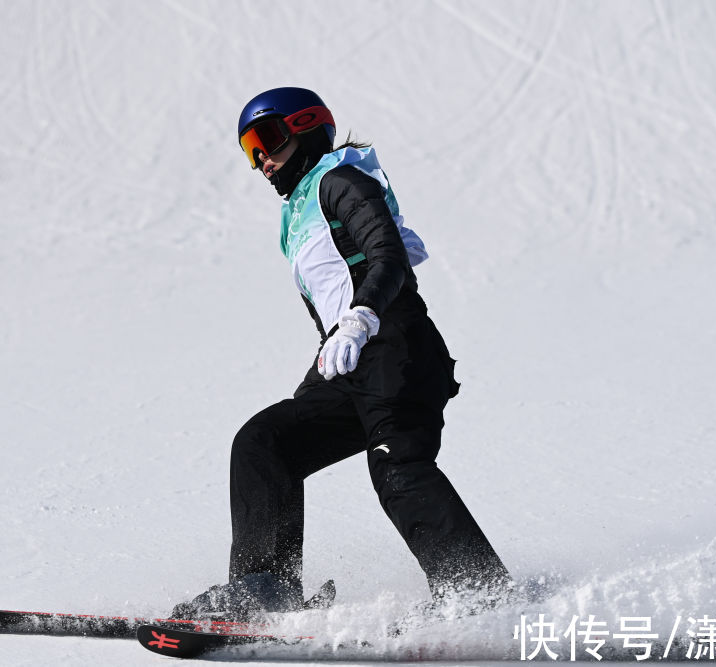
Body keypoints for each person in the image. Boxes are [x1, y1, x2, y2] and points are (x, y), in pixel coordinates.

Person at [171, 87, 510, 621]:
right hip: (353, 362)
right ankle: (265, 593)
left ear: (307, 127)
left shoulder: (340, 179)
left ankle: (483, 597)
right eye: (249, 151)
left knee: (398, 470)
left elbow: (387, 254)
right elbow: (330, 307)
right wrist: (322, 374)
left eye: (268, 139)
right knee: (267, 442)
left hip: (396, 346)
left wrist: (363, 314)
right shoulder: (297, 212)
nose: (262, 160)